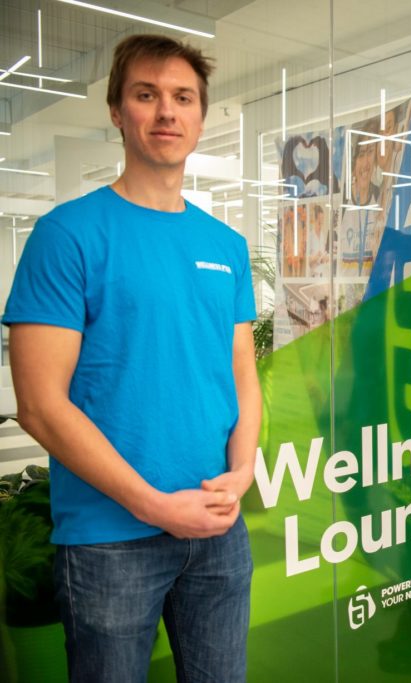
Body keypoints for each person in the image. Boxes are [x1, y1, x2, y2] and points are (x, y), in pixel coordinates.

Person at [3, 35, 261, 682]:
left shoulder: (225, 246)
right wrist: (152, 504)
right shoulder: (66, 236)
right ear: (118, 112)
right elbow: (39, 403)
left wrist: (242, 469)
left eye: (183, 98)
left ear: (201, 118)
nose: (167, 112)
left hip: (216, 529)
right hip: (108, 539)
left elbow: (243, 375)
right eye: (147, 95)